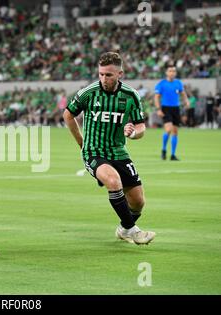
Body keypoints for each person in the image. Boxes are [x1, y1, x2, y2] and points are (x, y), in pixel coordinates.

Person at [63, 52, 155, 245]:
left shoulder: (131, 96)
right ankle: (133, 231)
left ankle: (124, 228)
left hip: (119, 152)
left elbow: (141, 127)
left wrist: (133, 133)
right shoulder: (89, 93)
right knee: (113, 181)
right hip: (94, 151)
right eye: (101, 74)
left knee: (138, 202)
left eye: (109, 75)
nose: (104, 79)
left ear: (120, 74)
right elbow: (68, 115)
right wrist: (81, 142)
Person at [154, 65, 190, 161]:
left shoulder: (178, 83)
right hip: (166, 108)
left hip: (176, 109)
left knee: (175, 131)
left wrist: (186, 101)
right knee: (168, 129)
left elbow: (183, 94)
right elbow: (157, 97)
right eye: (170, 71)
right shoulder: (162, 84)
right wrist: (158, 109)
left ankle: (173, 155)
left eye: (174, 71)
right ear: (166, 72)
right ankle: (164, 150)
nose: (172, 73)